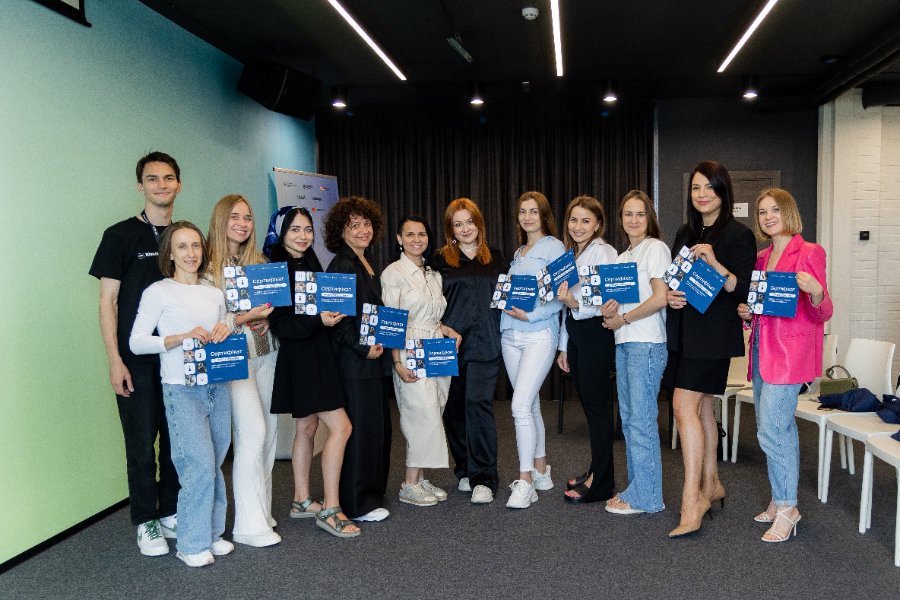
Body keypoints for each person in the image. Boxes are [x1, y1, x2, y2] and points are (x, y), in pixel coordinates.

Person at [89, 151, 181, 557]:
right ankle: (146, 520)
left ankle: (171, 510)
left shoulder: (184, 236)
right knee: (142, 446)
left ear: (179, 184)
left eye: (168, 178)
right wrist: (115, 360)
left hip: (178, 358)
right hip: (136, 362)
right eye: (152, 178)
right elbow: (107, 302)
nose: (161, 185)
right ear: (140, 186)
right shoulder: (119, 235)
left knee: (178, 441)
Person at [129, 222, 233, 567]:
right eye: (182, 247)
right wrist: (178, 338)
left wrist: (224, 329)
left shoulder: (214, 293)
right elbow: (137, 342)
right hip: (181, 389)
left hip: (218, 383)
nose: (191, 254)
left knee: (215, 461)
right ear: (170, 254)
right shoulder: (158, 292)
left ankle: (212, 534)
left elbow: (225, 326)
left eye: (196, 246)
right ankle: (190, 544)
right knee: (197, 465)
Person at [665, 161, 756, 537]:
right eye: (696, 188)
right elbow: (674, 281)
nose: (702, 194)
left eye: (709, 187)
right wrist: (671, 297)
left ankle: (693, 500)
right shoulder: (684, 233)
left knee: (682, 406)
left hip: (714, 338)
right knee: (702, 408)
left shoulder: (738, 234)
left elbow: (746, 289)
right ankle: (713, 482)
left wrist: (716, 264)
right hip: (684, 335)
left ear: (723, 191)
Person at [737, 188, 832, 542]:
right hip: (762, 351)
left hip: (790, 356)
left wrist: (817, 291)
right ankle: (780, 498)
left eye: (774, 210)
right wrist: (748, 314)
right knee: (773, 428)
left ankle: (789, 508)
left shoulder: (809, 252)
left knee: (772, 430)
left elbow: (824, 311)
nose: (768, 217)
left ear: (788, 212)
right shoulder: (761, 258)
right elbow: (763, 309)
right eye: (762, 212)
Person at [266, 207, 359, 538]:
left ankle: (301, 500)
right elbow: (280, 326)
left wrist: (329, 316)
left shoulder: (310, 263)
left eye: (307, 229)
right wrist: (318, 321)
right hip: (302, 359)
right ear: (281, 234)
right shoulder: (276, 270)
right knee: (342, 427)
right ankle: (331, 509)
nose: (303, 236)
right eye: (295, 229)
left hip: (317, 353)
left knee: (306, 428)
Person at [205, 195, 280, 547]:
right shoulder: (205, 268)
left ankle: (261, 511)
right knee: (252, 433)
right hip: (234, 359)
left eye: (248, 217)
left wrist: (269, 320)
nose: (242, 223)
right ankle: (248, 526)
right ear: (221, 220)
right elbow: (209, 323)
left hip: (266, 353)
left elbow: (273, 309)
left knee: (270, 434)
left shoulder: (259, 263)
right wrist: (246, 318)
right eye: (235, 217)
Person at [382, 216, 461, 507]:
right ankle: (409, 483)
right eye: (410, 234)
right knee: (419, 414)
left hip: (436, 346)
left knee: (434, 410)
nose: (417, 239)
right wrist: (397, 362)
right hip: (409, 347)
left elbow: (432, 316)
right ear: (399, 239)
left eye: (422, 234)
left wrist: (447, 330)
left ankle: (421, 477)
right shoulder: (393, 273)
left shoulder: (433, 274)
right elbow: (392, 321)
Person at [600, 191, 670, 516]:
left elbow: (660, 297)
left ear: (649, 217)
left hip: (647, 343)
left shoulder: (655, 248)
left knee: (640, 422)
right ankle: (637, 489)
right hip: (625, 342)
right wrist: (609, 311)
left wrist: (623, 318)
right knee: (629, 421)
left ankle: (648, 497)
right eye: (628, 214)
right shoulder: (622, 257)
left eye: (640, 214)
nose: (633, 220)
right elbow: (616, 307)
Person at [432, 198, 506, 505]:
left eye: (469, 222)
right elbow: (427, 301)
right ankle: (464, 468)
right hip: (447, 345)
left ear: (479, 223)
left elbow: (508, 298)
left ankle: (484, 478)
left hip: (486, 343)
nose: (465, 229)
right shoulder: (438, 259)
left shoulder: (497, 258)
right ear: (450, 229)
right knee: (453, 410)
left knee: (478, 405)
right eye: (458, 224)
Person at [325, 197, 392, 522]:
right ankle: (356, 502)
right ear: (341, 231)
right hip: (354, 362)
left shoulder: (367, 262)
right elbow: (338, 323)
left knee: (377, 429)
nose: (363, 230)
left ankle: (371, 493)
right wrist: (363, 348)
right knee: (361, 431)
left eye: (366, 224)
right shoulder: (341, 265)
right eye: (354, 225)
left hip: (372, 360)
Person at [501, 191, 564, 509]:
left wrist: (532, 315)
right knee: (531, 405)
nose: (527, 217)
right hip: (510, 335)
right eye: (522, 211)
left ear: (544, 215)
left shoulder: (555, 247)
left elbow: (561, 297)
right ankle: (541, 468)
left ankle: (525, 481)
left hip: (539, 334)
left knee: (519, 406)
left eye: (533, 211)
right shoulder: (518, 252)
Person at [555, 196, 618, 504]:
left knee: (598, 410)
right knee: (591, 408)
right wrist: (564, 347)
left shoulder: (605, 252)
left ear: (598, 225)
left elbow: (605, 302)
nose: (578, 226)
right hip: (577, 334)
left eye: (585, 221)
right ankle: (596, 471)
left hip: (596, 333)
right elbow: (566, 309)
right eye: (573, 219)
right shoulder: (571, 255)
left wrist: (574, 302)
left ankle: (602, 483)